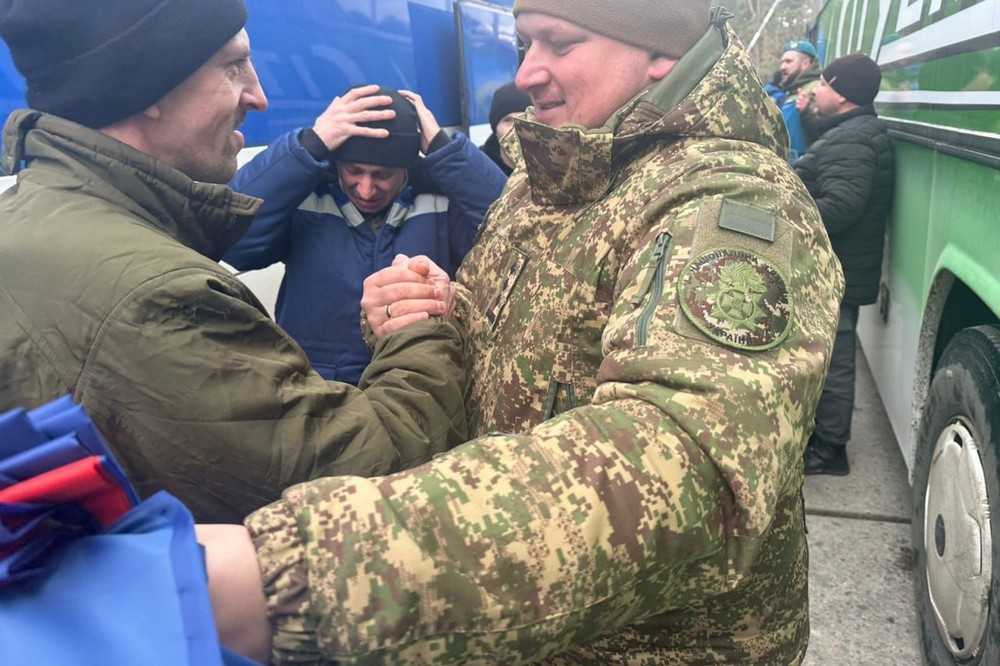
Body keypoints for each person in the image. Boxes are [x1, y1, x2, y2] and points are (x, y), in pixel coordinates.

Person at [198, 1, 844, 663]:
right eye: (525, 43)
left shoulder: (731, 201)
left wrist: (312, 572)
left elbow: (688, 467)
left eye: (558, 44)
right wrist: (430, 312)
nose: (529, 72)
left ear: (659, 53)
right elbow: (506, 344)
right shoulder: (551, 177)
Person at [0, 0, 467, 524]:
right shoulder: (158, 296)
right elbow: (375, 470)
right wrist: (416, 326)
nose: (260, 95)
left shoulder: (25, 220)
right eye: (233, 65)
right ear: (149, 83)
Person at [223, 85, 505, 385]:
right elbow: (233, 237)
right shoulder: (304, 200)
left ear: (406, 168)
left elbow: (513, 230)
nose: (366, 189)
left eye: (382, 175)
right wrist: (309, 145)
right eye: (354, 170)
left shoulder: (440, 204)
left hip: (417, 385)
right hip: (318, 391)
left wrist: (443, 148)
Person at [794, 54, 894, 475]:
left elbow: (840, 206)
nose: (815, 90)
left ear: (843, 95)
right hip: (843, 264)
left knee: (833, 362)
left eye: (823, 84)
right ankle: (825, 439)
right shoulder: (853, 131)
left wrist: (783, 213)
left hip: (837, 269)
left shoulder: (853, 140)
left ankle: (830, 449)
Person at [778, 39, 821, 162]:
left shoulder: (816, 89)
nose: (782, 67)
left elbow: (823, 129)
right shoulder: (792, 91)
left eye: (788, 61)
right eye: (782, 62)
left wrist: (807, 111)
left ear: (805, 64)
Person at [479, 81, 532, 175]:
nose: (515, 128)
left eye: (524, 119)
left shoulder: (554, 169)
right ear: (495, 130)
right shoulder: (478, 170)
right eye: (508, 120)